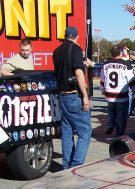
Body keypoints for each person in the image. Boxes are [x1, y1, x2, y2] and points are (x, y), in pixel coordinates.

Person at [52, 26, 91, 169]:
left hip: (62, 96)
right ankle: (76, 165)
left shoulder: (57, 51)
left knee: (67, 134)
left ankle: (67, 166)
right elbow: (79, 73)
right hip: (74, 95)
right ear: (77, 36)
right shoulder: (75, 49)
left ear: (65, 36)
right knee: (85, 132)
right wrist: (85, 96)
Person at [101, 45, 135, 137]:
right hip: (121, 94)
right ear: (120, 53)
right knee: (121, 115)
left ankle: (111, 125)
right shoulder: (126, 64)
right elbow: (131, 79)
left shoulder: (105, 64)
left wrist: (103, 90)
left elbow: (103, 80)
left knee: (111, 111)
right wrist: (134, 90)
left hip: (109, 93)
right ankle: (119, 133)